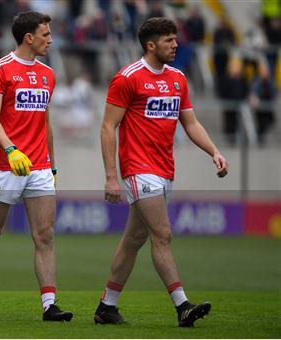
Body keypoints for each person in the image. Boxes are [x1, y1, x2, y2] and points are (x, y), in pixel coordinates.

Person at [96, 17, 228, 327]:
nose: (176, 44)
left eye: (175, 38)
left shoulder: (178, 78)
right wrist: (111, 176)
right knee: (162, 235)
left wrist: (214, 151)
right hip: (139, 169)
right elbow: (107, 126)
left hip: (165, 169)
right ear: (151, 45)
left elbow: (191, 123)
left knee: (133, 240)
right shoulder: (127, 78)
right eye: (169, 40)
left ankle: (106, 306)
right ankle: (182, 305)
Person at [0, 11, 73, 322]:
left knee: (45, 235)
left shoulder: (48, 74)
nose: (50, 39)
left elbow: (45, 122)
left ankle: (50, 304)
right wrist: (10, 150)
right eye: (46, 35)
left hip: (38, 167)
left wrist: (53, 166)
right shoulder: (0, 70)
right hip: (5, 164)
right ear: (29, 38)